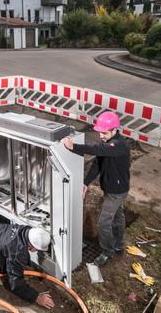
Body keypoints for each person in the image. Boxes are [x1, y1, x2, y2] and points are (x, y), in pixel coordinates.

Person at [61, 111, 130, 266]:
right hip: (111, 188)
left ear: (114, 130)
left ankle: (107, 252)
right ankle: (119, 245)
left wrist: (74, 146)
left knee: (103, 223)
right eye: (100, 133)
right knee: (117, 217)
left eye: (104, 133)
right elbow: (97, 164)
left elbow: (98, 150)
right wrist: (85, 183)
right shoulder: (108, 144)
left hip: (116, 192)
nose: (101, 136)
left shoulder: (120, 145)